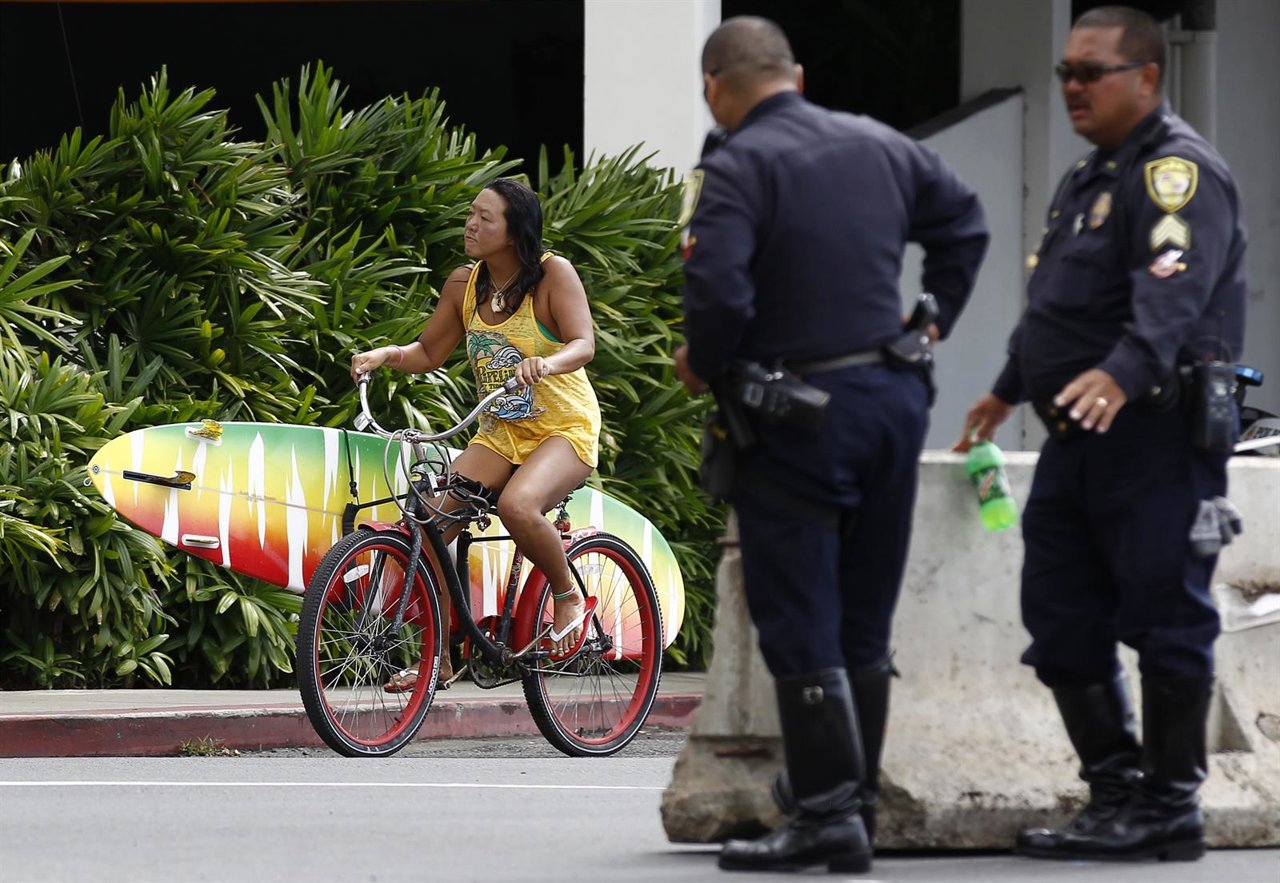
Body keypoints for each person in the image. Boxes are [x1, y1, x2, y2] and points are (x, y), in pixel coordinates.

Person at [673, 16, 988, 874]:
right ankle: (853, 805)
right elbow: (966, 224)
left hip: (798, 411)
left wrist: (704, 364)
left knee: (798, 611)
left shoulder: (737, 164)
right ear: (797, 75)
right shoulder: (879, 143)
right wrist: (930, 324)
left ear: (715, 87)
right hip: (892, 398)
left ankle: (824, 814)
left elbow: (717, 289)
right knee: (863, 616)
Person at [953, 6, 1246, 863]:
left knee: (1166, 613)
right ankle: (1115, 791)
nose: (1073, 87)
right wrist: (1007, 389)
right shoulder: (1091, 178)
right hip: (1079, 437)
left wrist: (1124, 371)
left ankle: (1170, 803)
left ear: (1147, 78)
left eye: (1092, 73)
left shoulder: (1176, 174)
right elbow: (1058, 309)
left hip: (1155, 438)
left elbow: (1172, 295)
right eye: (1065, 75)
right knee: (1059, 614)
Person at [351, 177, 601, 688]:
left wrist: (547, 364)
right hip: (500, 434)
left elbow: (583, 343)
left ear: (514, 232)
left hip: (563, 428)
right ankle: (437, 659)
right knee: (430, 522)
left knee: (517, 506)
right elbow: (428, 353)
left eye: (486, 218)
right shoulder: (465, 284)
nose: (471, 224)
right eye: (471, 214)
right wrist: (387, 355)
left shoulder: (553, 273)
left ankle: (567, 593)